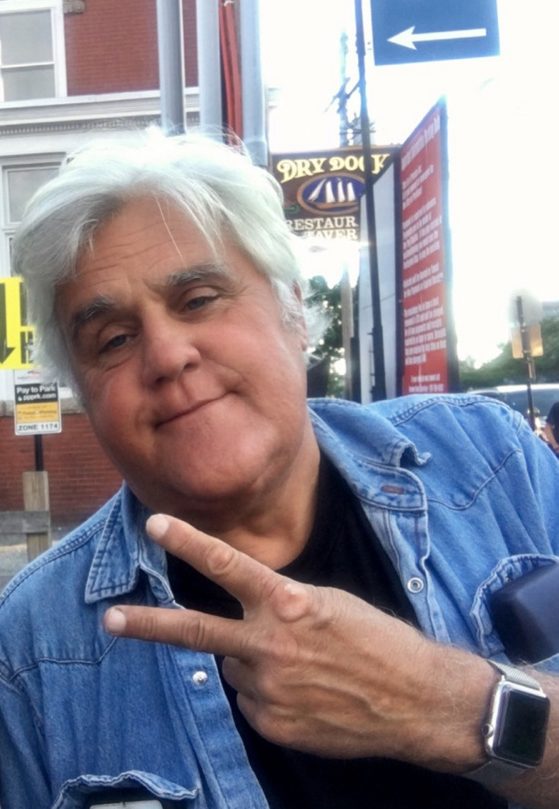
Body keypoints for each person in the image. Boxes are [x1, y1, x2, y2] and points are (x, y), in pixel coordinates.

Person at [1, 128, 558, 809]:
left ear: (294, 309)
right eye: (113, 339)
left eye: (198, 298)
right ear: (84, 397)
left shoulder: (494, 464)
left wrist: (448, 705)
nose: (168, 354)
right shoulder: (32, 650)